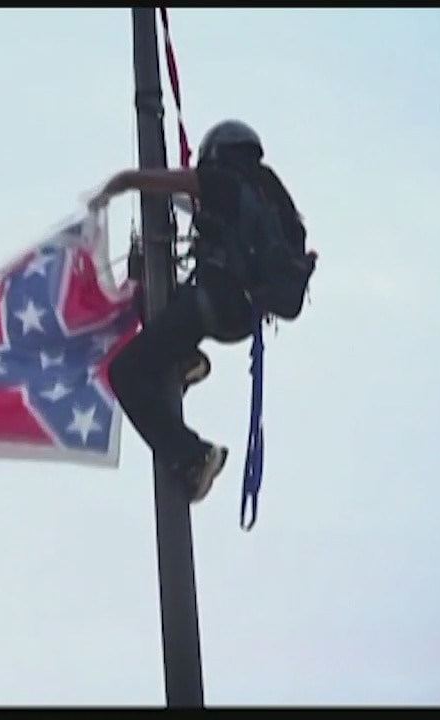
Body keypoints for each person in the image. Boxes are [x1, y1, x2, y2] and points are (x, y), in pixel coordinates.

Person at [89, 119, 315, 503]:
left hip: (214, 301)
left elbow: (168, 184)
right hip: (242, 312)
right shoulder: (270, 200)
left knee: (124, 372)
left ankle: (193, 455)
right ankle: (186, 358)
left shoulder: (225, 184)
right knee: (155, 302)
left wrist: (121, 183)